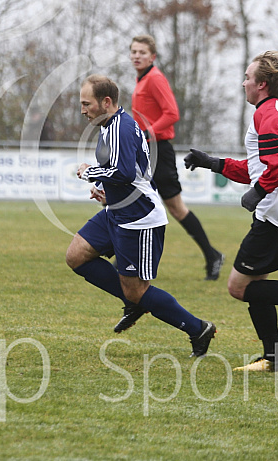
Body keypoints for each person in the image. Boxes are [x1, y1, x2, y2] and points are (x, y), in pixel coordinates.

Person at [184, 51, 278, 372]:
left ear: (262, 84)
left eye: (247, 78)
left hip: (275, 213)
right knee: (258, 286)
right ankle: (274, 358)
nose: (243, 83)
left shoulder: (265, 114)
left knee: (239, 287)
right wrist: (212, 162)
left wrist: (260, 191)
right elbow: (257, 167)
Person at [65, 74, 216, 356]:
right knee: (76, 255)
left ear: (106, 102)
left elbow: (123, 172)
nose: (82, 110)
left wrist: (89, 173)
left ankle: (198, 328)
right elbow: (129, 171)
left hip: (138, 218)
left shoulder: (121, 127)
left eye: (86, 104)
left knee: (136, 290)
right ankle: (134, 301)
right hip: (117, 210)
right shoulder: (109, 125)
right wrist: (103, 189)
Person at [130, 34, 224, 281]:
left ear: (153, 56)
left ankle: (212, 255)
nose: (137, 56)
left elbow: (172, 113)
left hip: (159, 151)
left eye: (142, 52)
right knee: (135, 200)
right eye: (134, 51)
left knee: (175, 207)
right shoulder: (141, 80)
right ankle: (126, 258)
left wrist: (148, 132)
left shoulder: (155, 78)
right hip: (146, 150)